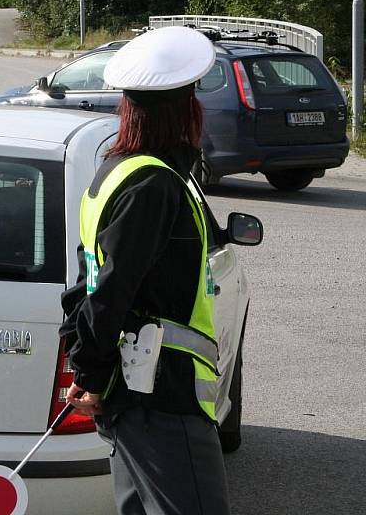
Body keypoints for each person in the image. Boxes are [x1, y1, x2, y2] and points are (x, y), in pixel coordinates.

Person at [59, 26, 231, 514]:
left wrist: (87, 367)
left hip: (135, 392)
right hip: (160, 396)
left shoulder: (117, 170)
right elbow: (109, 287)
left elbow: (87, 277)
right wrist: (88, 372)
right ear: (186, 109)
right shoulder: (154, 184)